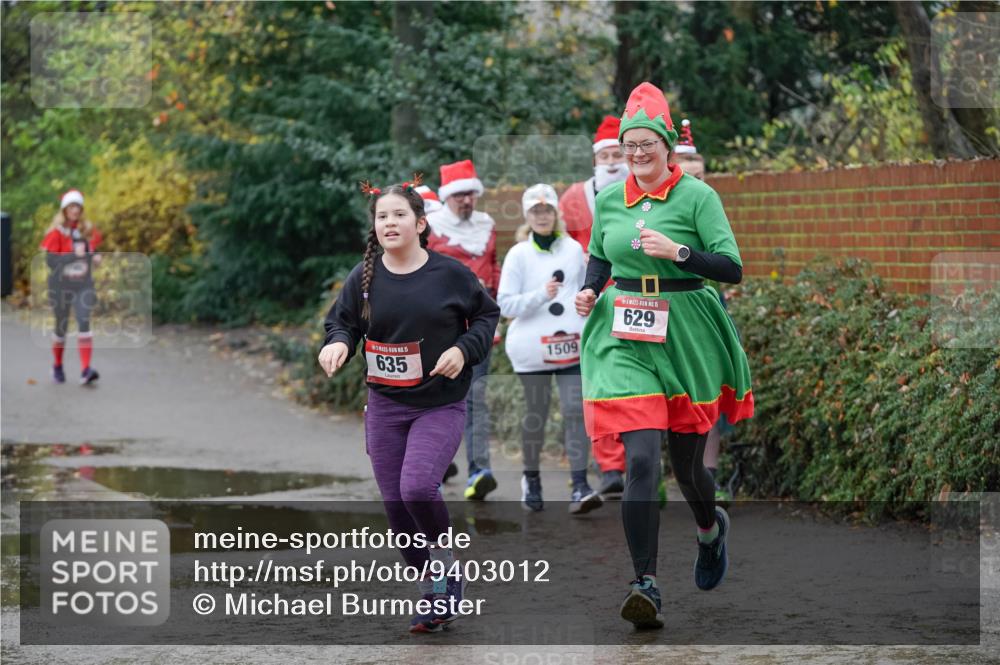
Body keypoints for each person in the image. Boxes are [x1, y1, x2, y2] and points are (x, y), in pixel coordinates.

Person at [574, 82, 754, 629]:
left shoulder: (698, 197)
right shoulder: (608, 200)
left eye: (647, 143)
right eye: (629, 144)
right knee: (643, 461)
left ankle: (709, 527)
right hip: (624, 334)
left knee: (687, 468)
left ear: (667, 145)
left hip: (687, 330)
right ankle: (645, 584)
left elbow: (731, 267)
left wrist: (678, 252)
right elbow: (600, 258)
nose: (637, 153)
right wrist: (589, 289)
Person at [318, 177, 500, 633]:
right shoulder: (363, 279)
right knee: (397, 507)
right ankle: (433, 588)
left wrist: (463, 350)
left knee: (418, 487)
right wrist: (338, 344)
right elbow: (341, 324)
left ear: (421, 224)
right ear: (374, 227)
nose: (389, 223)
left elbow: (486, 315)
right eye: (382, 216)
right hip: (385, 406)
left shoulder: (449, 274)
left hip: (439, 404)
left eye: (399, 215)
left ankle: (445, 567)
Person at [497, 183, 602, 515]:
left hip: (570, 344)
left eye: (547, 211)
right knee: (536, 416)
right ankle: (532, 479)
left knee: (574, 411)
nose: (542, 217)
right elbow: (505, 304)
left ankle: (579, 485)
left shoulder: (572, 249)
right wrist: (543, 294)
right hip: (533, 350)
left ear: (556, 214)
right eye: (535, 212)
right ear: (527, 216)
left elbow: (586, 291)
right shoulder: (519, 254)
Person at [559, 116, 631, 499]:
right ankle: (610, 465)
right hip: (593, 304)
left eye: (618, 153)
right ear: (595, 160)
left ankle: (642, 461)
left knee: (637, 382)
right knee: (599, 382)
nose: (613, 160)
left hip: (640, 299)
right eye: (606, 154)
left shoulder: (646, 195)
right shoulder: (573, 199)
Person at [427, 159, 501, 501]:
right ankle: (433, 471)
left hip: (476, 330)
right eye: (459, 196)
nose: (466, 201)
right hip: (436, 330)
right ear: (447, 197)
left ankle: (479, 470)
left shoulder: (487, 225)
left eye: (470, 194)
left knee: (475, 401)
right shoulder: (428, 228)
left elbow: (494, 271)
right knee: (433, 401)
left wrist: (496, 316)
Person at [40, 189, 103, 385]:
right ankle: (57, 366)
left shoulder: (87, 230)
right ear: (65, 210)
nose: (75, 210)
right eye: (71, 206)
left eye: (78, 206)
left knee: (84, 321)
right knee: (62, 326)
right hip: (60, 286)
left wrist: (96, 256)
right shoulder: (56, 233)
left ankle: (86, 370)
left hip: (83, 284)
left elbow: (91, 251)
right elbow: (50, 262)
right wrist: (73, 255)